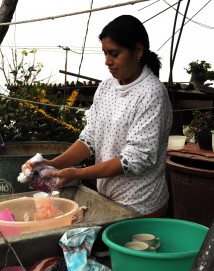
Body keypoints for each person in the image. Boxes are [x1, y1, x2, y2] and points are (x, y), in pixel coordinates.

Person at [24, 15, 172, 218]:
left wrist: (77, 173)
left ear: (138, 51)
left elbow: (135, 159)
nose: (107, 61)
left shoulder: (152, 93)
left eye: (114, 53)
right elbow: (90, 139)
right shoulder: (106, 88)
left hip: (142, 205)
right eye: (105, 54)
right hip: (109, 199)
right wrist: (52, 164)